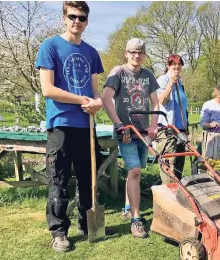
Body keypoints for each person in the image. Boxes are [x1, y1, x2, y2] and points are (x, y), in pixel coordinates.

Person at [35, 1, 104, 252]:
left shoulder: (92, 53)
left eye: (82, 18)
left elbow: (96, 92)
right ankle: (59, 231)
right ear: (64, 18)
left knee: (88, 179)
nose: (77, 21)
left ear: (86, 21)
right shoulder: (50, 46)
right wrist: (82, 100)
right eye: (73, 16)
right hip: (61, 123)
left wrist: (96, 104)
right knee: (59, 179)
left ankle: (87, 223)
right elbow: (48, 89)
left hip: (87, 125)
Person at [101, 38, 159, 238]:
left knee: (136, 172)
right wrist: (118, 124)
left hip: (143, 133)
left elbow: (156, 103)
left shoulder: (148, 75)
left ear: (144, 55)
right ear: (126, 53)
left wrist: (153, 125)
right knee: (134, 170)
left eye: (140, 52)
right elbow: (106, 98)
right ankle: (136, 219)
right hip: (125, 131)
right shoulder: (118, 72)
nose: (137, 55)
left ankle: (127, 206)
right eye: (133, 52)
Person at [156, 54, 189, 184]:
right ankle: (167, 189)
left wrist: (186, 129)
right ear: (168, 66)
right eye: (174, 64)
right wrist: (171, 83)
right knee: (169, 161)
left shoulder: (180, 83)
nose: (177, 66)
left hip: (180, 129)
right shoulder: (162, 80)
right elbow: (161, 101)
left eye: (179, 64)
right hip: (167, 129)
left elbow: (183, 107)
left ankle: (179, 190)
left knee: (180, 161)